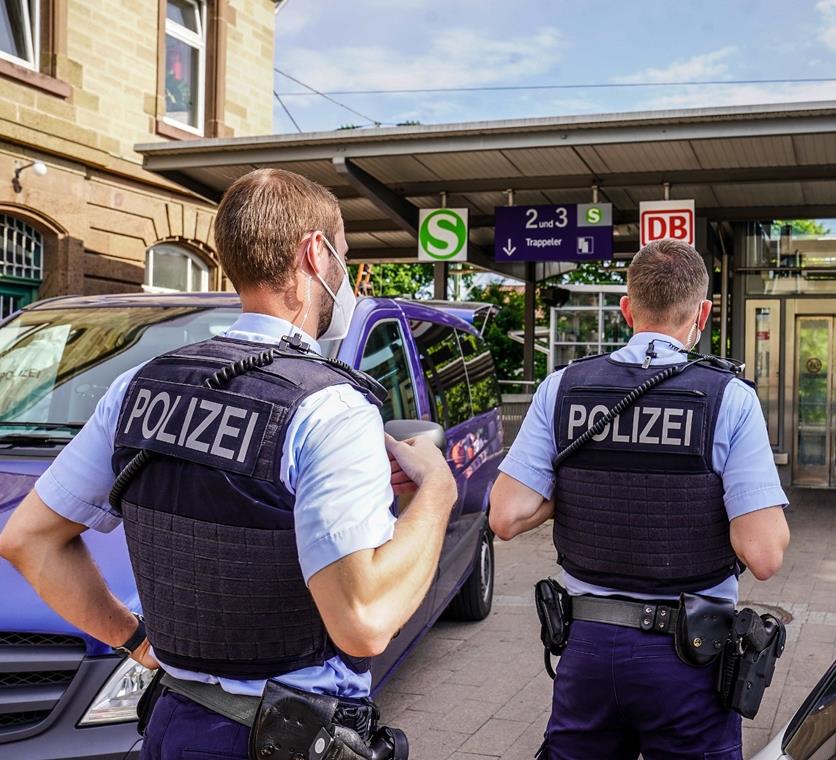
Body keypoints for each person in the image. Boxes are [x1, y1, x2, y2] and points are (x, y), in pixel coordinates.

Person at [0, 168, 457, 760]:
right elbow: (363, 621)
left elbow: (28, 540)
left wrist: (138, 643)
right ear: (316, 254)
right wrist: (438, 492)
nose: (346, 276)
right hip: (282, 736)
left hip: (171, 721)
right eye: (343, 255)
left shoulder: (138, 385)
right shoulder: (331, 406)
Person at [490, 239, 790, 760]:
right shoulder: (729, 397)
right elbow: (764, 556)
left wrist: (577, 486)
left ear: (628, 309)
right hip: (689, 660)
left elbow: (506, 516)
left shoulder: (562, 388)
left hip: (587, 652)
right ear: (704, 314)